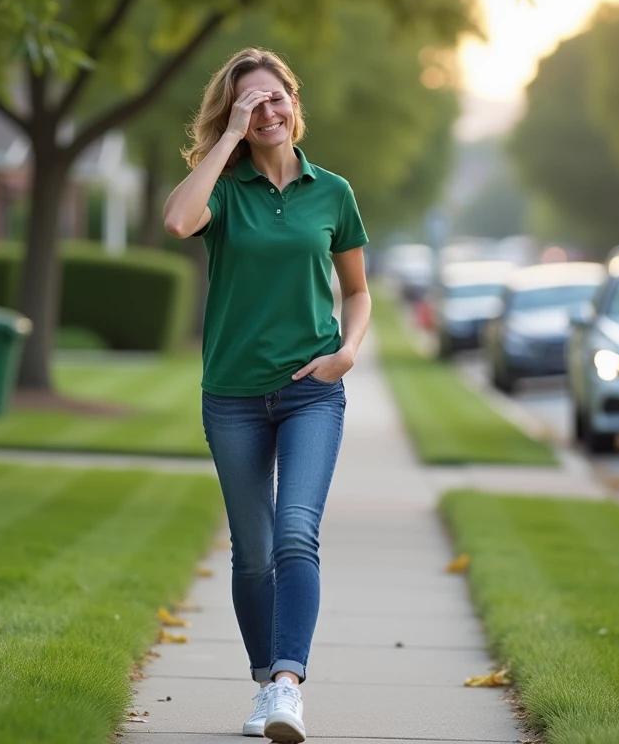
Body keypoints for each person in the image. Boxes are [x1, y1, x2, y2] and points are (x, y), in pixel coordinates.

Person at [163, 47, 370, 743]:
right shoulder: (221, 188)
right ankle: (263, 684)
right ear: (234, 114)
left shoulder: (332, 192)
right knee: (251, 551)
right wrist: (225, 139)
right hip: (233, 396)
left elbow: (358, 290)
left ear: (293, 102)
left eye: (275, 98)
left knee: (293, 534)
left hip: (311, 391)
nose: (266, 112)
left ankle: (287, 685)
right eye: (249, 104)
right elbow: (177, 221)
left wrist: (346, 352)